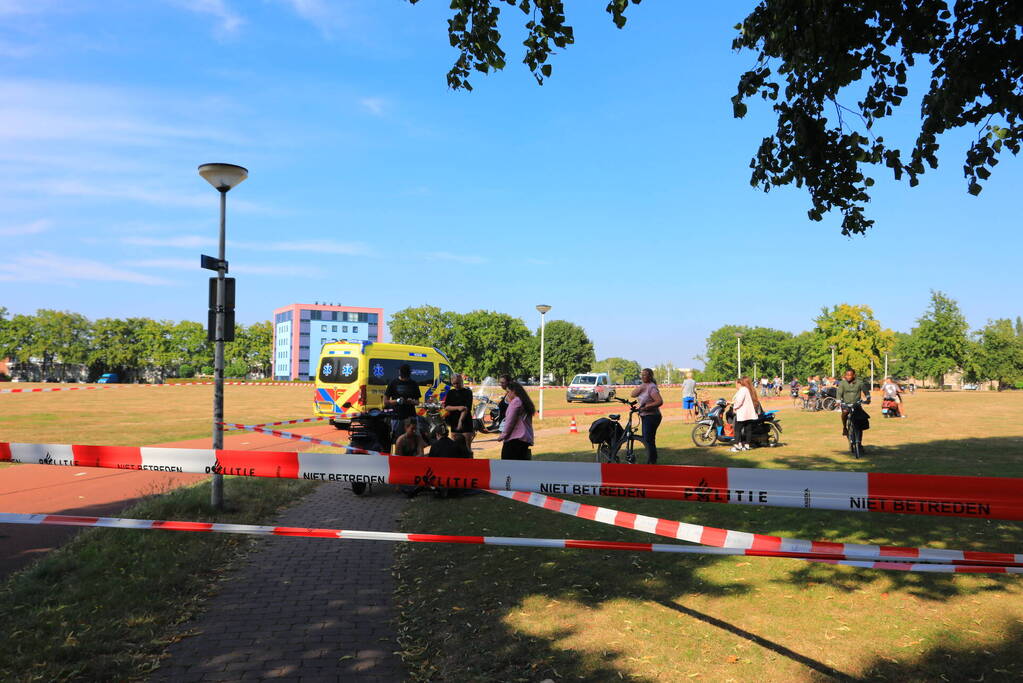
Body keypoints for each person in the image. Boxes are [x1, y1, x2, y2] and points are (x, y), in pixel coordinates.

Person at [630, 368, 664, 464]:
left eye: (645, 375)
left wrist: (647, 407)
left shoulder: (652, 387)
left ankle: (652, 461)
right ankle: (652, 460)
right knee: (648, 439)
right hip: (646, 416)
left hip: (652, 416)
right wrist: (641, 387)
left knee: (648, 439)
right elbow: (632, 394)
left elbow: (659, 401)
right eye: (642, 375)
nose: (643, 376)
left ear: (650, 376)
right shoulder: (644, 386)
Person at [497, 380, 534, 460]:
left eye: (508, 392)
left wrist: (503, 435)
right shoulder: (524, 401)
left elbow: (510, 421)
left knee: (508, 466)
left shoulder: (516, 402)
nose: (507, 394)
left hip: (514, 440)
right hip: (524, 439)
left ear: (513, 391)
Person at [384, 364, 421, 441]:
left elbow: (417, 402)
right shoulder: (393, 383)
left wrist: (411, 401)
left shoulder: (413, 383)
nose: (405, 379)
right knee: (396, 440)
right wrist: (397, 401)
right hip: (397, 417)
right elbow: (386, 402)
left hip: (411, 417)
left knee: (413, 440)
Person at [836, 369, 871, 437]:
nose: (848, 377)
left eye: (850, 375)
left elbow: (866, 391)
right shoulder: (842, 383)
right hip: (845, 403)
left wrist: (868, 398)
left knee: (860, 422)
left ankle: (859, 442)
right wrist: (838, 401)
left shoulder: (859, 383)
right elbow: (839, 392)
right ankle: (844, 427)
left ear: (854, 375)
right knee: (845, 413)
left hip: (856, 403)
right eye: (847, 375)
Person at [443, 373, 475, 448]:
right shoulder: (451, 392)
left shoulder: (468, 392)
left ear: (461, 381)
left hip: (466, 422)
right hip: (454, 422)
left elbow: (466, 409)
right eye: (454, 384)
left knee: (467, 447)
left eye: (457, 383)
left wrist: (460, 421)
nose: (456, 385)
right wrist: (458, 407)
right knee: (455, 447)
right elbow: (446, 407)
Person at [730, 376, 761, 451]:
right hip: (749, 414)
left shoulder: (742, 390)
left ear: (739, 383)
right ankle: (746, 445)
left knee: (737, 429)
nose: (735, 385)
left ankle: (737, 445)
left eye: (736, 384)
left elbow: (739, 401)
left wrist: (735, 407)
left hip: (743, 414)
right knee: (748, 430)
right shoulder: (747, 390)